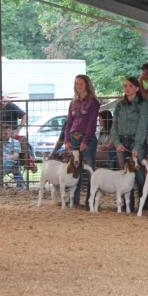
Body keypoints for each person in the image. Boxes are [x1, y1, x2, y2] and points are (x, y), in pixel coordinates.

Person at [111, 76, 148, 211]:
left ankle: (143, 203)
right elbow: (114, 125)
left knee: (139, 174)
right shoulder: (119, 105)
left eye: (130, 86)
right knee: (125, 173)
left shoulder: (143, 104)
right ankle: (129, 204)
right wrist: (116, 143)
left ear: (137, 88)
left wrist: (137, 146)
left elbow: (142, 125)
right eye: (125, 86)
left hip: (136, 141)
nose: (127, 89)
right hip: (122, 141)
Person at [63, 74, 100, 209]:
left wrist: (86, 140)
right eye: (77, 83)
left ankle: (90, 201)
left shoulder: (93, 102)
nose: (78, 86)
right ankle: (74, 198)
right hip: (74, 137)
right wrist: (66, 139)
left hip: (87, 138)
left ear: (87, 85)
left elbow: (91, 123)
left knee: (89, 168)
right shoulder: (73, 102)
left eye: (81, 83)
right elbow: (69, 123)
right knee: (74, 169)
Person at [1, 93, 37, 172]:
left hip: (12, 133)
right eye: (1, 100)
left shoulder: (11, 106)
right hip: (0, 134)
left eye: (3, 100)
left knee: (24, 141)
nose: (2, 102)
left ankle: (30, 162)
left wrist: (18, 129)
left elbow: (24, 115)